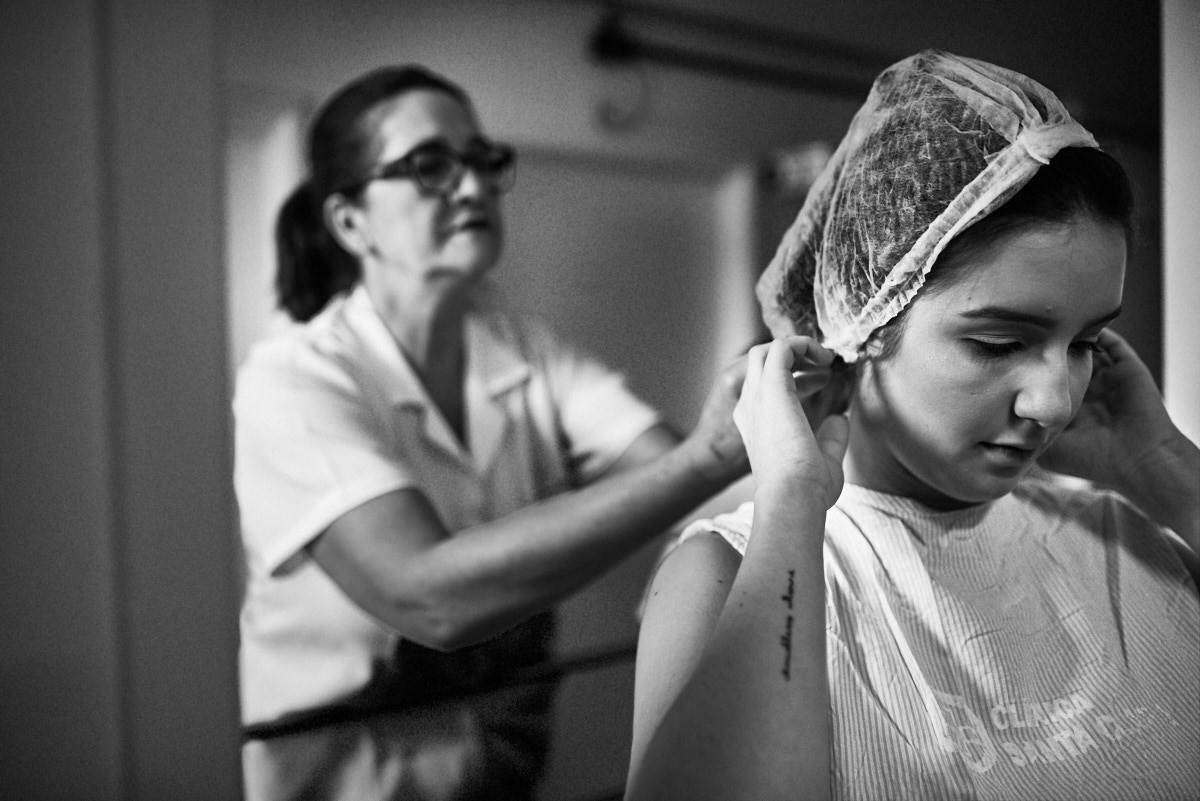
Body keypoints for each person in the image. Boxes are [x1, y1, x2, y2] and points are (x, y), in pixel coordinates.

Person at [627, 50, 1200, 801]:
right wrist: (793, 499)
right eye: (999, 343)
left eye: (1086, 343)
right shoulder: (731, 573)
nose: (1056, 401)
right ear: (865, 323)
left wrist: (1166, 469)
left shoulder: (1135, 538)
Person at [232, 64, 749, 801]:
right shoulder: (294, 382)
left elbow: (689, 480)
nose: (471, 185)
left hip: (502, 766)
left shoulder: (525, 351)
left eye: (480, 159)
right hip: (342, 780)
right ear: (351, 222)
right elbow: (428, 598)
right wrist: (708, 459)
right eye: (430, 166)